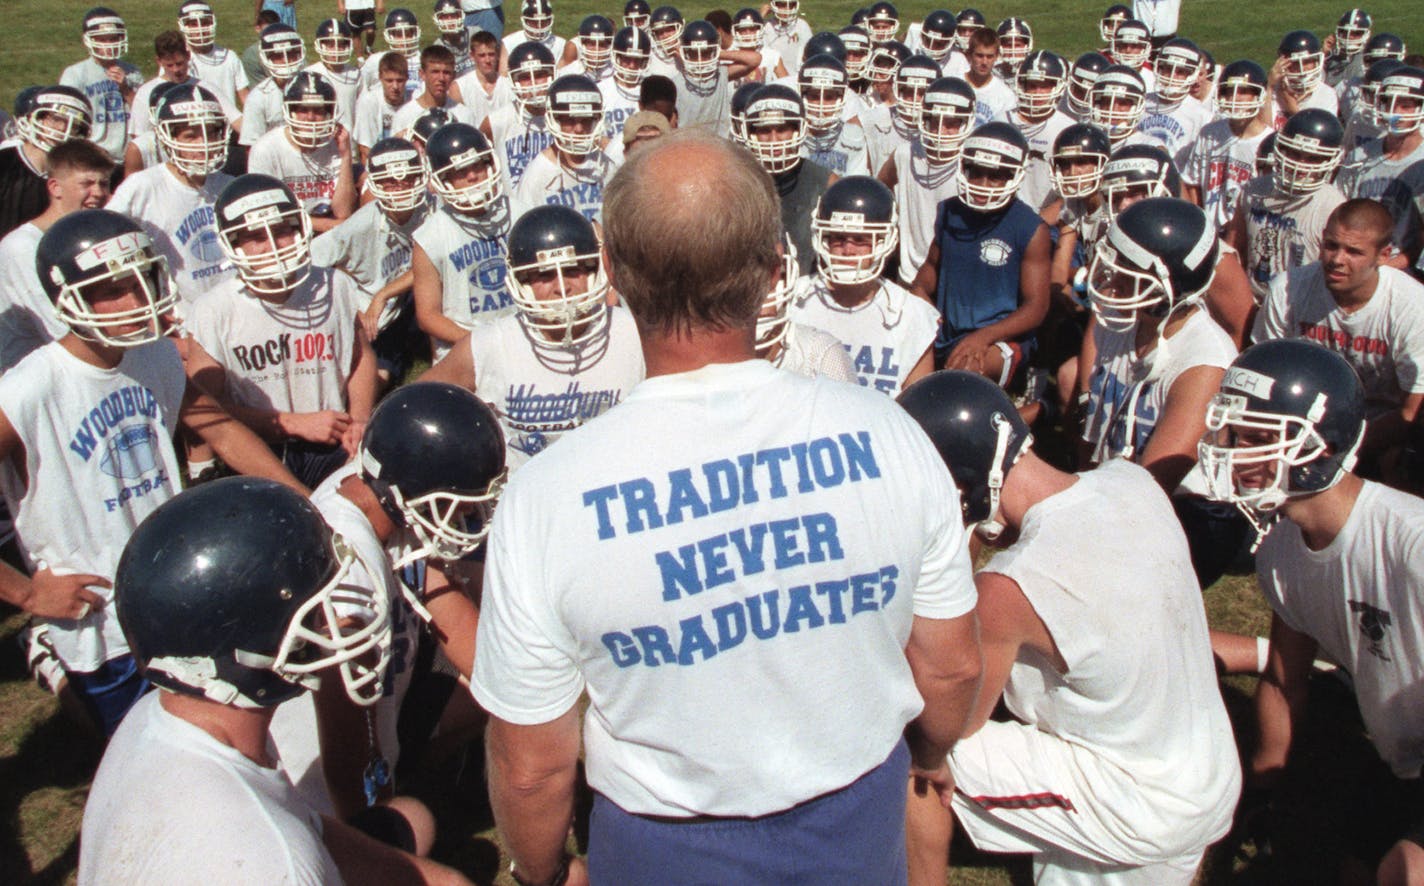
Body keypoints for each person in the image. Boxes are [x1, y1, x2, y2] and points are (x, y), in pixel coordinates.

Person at [471, 128, 981, 886]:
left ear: (610, 270)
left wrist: (538, 872)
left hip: (663, 846)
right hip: (858, 817)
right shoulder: (893, 435)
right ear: (776, 270)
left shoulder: (546, 497)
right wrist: (932, 754)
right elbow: (949, 668)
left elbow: (531, 767)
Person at [898, 369, 1241, 885]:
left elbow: (953, 727)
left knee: (904, 751)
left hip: (1145, 802)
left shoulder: (1008, 587)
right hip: (1207, 768)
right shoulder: (1133, 481)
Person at [78, 477, 469, 884]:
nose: (331, 621)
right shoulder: (272, 861)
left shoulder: (164, 715)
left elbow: (308, 828)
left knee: (414, 821)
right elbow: (279, 850)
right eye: (315, 610)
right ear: (246, 649)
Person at [0, 209, 302, 736]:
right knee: (131, 750)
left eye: (144, 279)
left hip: (173, 585)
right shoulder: (30, 388)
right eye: (112, 289)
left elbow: (221, 429)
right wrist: (26, 595)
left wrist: (304, 501)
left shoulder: (155, 355)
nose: (137, 300)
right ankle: (52, 657)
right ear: (66, 296)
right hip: (94, 613)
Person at [1196, 338, 1424, 884]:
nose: (1234, 452)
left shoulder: (1411, 542)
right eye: (1234, 433)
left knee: (1404, 872)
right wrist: (1266, 787)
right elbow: (1281, 679)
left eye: (1257, 438)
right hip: (1402, 759)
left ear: (1320, 445)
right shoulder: (1280, 555)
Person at [271, 382, 505, 818]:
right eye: (462, 504)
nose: (470, 518)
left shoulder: (376, 489)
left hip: (380, 707)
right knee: (416, 825)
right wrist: (372, 819)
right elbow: (343, 727)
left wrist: (513, 688)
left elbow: (449, 610)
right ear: (409, 490)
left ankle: (406, 773)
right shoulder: (345, 568)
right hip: (316, 790)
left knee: (495, 683)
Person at [184, 174, 376, 489]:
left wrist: (360, 418)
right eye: (256, 236)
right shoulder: (213, 310)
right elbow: (209, 412)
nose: (274, 245)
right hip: (260, 450)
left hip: (336, 439)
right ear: (232, 244)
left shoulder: (334, 284)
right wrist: (292, 424)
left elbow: (359, 358)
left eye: (283, 230)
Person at [422, 204, 645, 470]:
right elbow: (417, 405)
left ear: (595, 269)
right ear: (520, 281)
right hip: (527, 497)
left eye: (574, 269)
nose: (562, 287)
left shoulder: (637, 334)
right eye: (544, 275)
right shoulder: (490, 345)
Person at [1252, 199, 1424, 470]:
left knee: (1399, 462)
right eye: (1331, 246)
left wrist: (1334, 449)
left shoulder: (1411, 306)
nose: (1336, 260)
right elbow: (1264, 375)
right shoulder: (1288, 289)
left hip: (1378, 431)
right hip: (1296, 424)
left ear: (1383, 255)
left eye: (1353, 252)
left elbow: (1410, 411)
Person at [910, 121, 1050, 385]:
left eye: (996, 175)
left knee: (962, 377)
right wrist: (923, 305)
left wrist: (983, 336)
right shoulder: (949, 212)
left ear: (1015, 175)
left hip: (1003, 338)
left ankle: (1040, 407)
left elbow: (1037, 308)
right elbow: (925, 278)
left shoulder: (1030, 228)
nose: (984, 183)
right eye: (976, 172)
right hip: (948, 332)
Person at [789, 176, 936, 395]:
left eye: (860, 239)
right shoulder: (793, 300)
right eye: (838, 238)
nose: (848, 250)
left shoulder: (911, 314)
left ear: (884, 241)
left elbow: (918, 404)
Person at [312, 137, 432, 388]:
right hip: (368, 317)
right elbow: (312, 262)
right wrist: (351, 308)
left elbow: (431, 262)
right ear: (375, 184)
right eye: (390, 181)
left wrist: (384, 295)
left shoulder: (431, 208)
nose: (400, 188)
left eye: (406, 178)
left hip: (397, 301)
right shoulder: (362, 224)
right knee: (374, 384)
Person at [108, 84, 236, 305]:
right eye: (190, 136)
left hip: (232, 307)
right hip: (179, 316)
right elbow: (108, 249)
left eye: (210, 134)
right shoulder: (142, 187)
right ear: (168, 137)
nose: (203, 144)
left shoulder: (230, 187)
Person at [0, 140, 112, 374]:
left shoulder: (86, 239)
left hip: (81, 359)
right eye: (87, 183)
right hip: (29, 374)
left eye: (104, 183)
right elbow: (61, 327)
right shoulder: (22, 247)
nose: (99, 193)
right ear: (55, 187)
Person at [411, 122, 514, 361]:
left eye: (478, 165)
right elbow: (428, 315)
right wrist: (482, 343)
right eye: (461, 171)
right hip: (462, 347)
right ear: (443, 178)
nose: (473, 176)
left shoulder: (517, 213)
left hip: (518, 336)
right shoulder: (430, 236)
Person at [1228, 108, 1347, 301]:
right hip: (1252, 296)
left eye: (1313, 158)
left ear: (1331, 160)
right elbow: (1233, 247)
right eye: (1294, 153)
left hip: (1300, 303)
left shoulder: (1333, 206)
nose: (1301, 164)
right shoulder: (1254, 189)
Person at [879, 76, 972, 289]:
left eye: (951, 123)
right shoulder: (905, 153)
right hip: (909, 273)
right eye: (934, 120)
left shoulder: (971, 164)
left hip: (955, 273)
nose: (941, 130)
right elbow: (881, 185)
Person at [742, 85, 837, 276]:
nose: (773, 140)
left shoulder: (825, 182)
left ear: (797, 129)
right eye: (764, 130)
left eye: (783, 129)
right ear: (751, 133)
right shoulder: (737, 181)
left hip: (807, 291)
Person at [1335, 65, 1424, 269]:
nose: (1395, 113)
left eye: (1405, 105)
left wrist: (1387, 268)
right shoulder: (1360, 155)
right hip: (1352, 262)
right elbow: (1339, 211)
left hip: (1402, 272)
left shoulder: (1421, 165)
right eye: (1388, 103)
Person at [248, 71, 358, 233]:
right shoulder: (266, 149)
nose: (310, 117)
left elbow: (344, 211)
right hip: (287, 234)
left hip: (331, 231)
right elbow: (267, 214)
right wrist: (326, 225)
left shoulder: (336, 144)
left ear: (329, 113)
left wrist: (346, 155)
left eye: (318, 111)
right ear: (289, 110)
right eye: (302, 109)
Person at [1182, 59, 1274, 234]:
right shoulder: (1209, 133)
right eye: (1229, 92)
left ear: (1260, 95)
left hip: (1244, 233)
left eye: (1244, 92)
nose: (1235, 98)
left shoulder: (1269, 143)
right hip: (1209, 229)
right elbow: (1193, 182)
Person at [511, 74, 618, 221]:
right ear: (554, 120)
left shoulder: (605, 165)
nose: (579, 129)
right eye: (570, 120)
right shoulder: (538, 176)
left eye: (586, 120)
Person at [59, 7, 144, 164]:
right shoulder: (75, 74)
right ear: (89, 40)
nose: (109, 44)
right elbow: (68, 121)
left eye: (113, 39)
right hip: (92, 155)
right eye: (102, 39)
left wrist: (126, 89)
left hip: (128, 156)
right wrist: (89, 148)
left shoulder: (132, 72)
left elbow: (143, 115)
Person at [240, 23, 308, 149]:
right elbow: (252, 147)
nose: (285, 60)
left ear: (300, 53)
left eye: (291, 53)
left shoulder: (314, 88)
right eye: (277, 55)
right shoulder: (258, 97)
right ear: (265, 57)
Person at [390, 45, 479, 137]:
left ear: (453, 76)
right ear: (422, 74)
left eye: (446, 73)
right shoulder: (405, 116)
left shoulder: (464, 115)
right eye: (435, 72)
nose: (441, 78)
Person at [179, 1, 251, 109]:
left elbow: (244, 96)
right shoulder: (177, 61)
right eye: (193, 24)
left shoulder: (229, 57)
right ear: (183, 26)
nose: (200, 29)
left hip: (229, 121)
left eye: (204, 23)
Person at [1270, 30, 1340, 131]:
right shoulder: (1273, 91)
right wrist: (1269, 87)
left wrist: (1293, 110)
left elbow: (1318, 135)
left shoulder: (1326, 95)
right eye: (1295, 63)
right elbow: (1263, 131)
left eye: (1306, 62)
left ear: (1316, 61)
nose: (1302, 69)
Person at [353, 51, 410, 165]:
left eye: (400, 80)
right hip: (378, 165)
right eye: (389, 80)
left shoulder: (413, 101)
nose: (395, 86)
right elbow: (365, 150)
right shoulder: (369, 102)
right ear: (380, 77)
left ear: (407, 78)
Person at [306, 18, 362, 127]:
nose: (336, 49)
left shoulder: (355, 74)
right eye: (331, 45)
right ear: (320, 45)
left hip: (349, 137)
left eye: (341, 45)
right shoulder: (311, 74)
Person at [963, 27, 1014, 125]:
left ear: (997, 57)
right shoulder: (955, 84)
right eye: (979, 56)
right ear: (969, 55)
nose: (984, 62)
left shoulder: (1006, 96)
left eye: (990, 56)